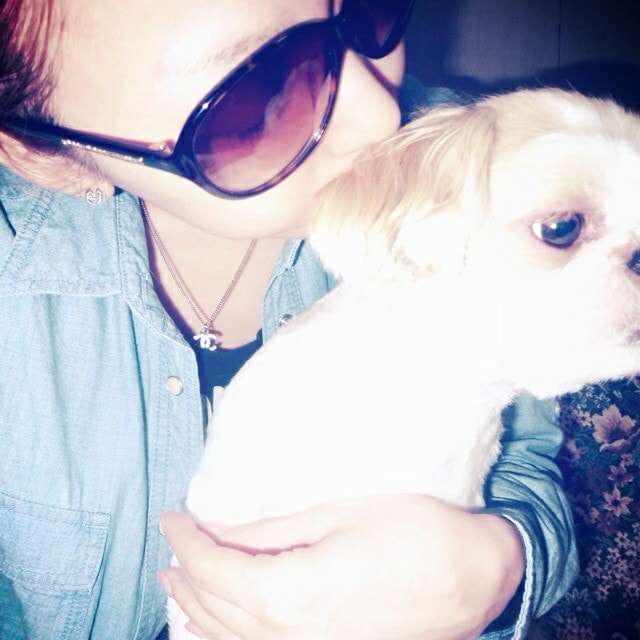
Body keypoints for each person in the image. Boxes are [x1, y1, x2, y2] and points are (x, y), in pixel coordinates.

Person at [0, 1, 577, 639]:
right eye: (254, 95)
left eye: (363, 9)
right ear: (48, 157)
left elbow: (527, 472)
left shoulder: (470, 166)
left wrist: (497, 568)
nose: (380, 115)